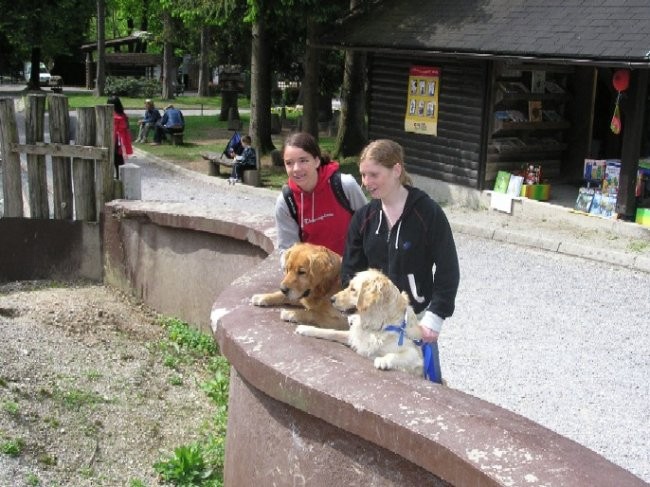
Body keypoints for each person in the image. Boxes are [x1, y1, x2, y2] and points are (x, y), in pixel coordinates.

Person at [341, 139, 460, 348]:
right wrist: (353, 311)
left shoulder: (428, 213)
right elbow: (351, 270)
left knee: (418, 377)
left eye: (374, 175)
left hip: (416, 317)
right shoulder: (363, 218)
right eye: (363, 174)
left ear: (396, 170)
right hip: (372, 319)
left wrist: (435, 317)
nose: (366, 182)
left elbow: (448, 268)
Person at [275, 132, 367, 256]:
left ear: (317, 161)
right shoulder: (286, 202)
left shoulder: (344, 185)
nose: (296, 168)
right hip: (313, 273)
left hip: (352, 268)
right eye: (289, 163)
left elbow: (369, 226)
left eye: (303, 160)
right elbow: (287, 251)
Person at [107, 95, 133, 179]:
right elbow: (127, 127)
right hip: (119, 139)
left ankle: (117, 176)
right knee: (118, 158)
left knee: (114, 158)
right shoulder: (123, 115)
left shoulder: (113, 115)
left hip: (114, 139)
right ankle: (118, 176)